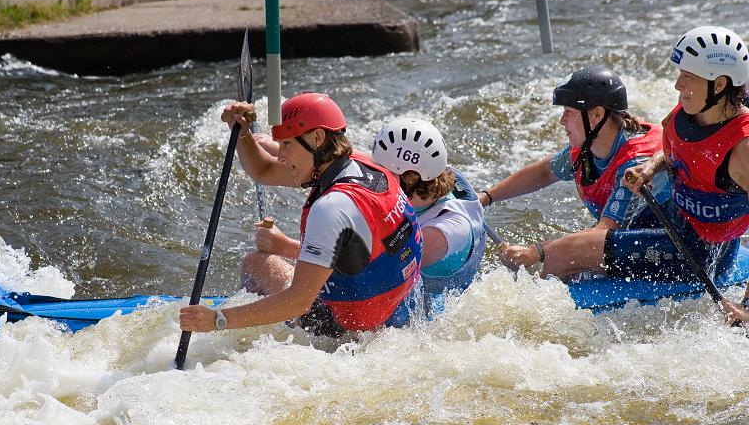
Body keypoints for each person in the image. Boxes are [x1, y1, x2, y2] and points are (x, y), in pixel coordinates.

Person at [179, 92, 423, 337]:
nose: (281, 155)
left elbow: (298, 302)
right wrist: (243, 135)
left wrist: (218, 320)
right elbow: (264, 170)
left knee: (255, 264)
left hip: (345, 331)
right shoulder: (368, 165)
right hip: (397, 308)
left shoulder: (331, 208)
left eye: (287, 144)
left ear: (317, 138)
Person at [480, 66, 670, 278]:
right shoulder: (587, 150)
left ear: (597, 114)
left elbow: (604, 231)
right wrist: (486, 198)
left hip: (668, 246)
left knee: (561, 256)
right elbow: (544, 172)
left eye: (568, 112)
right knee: (560, 257)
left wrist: (537, 252)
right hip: (632, 237)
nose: (562, 121)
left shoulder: (635, 162)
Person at [618, 26, 749, 322]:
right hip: (675, 217)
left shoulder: (744, 148)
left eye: (688, 77)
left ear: (718, 85)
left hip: (702, 250)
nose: (678, 85)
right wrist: (652, 166)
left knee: (564, 253)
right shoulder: (694, 111)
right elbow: (682, 150)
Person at [370, 118, 485, 309]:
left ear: (409, 178)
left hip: (436, 302)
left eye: (383, 174)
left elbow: (380, 277)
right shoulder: (431, 172)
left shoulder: (446, 228)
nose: (376, 178)